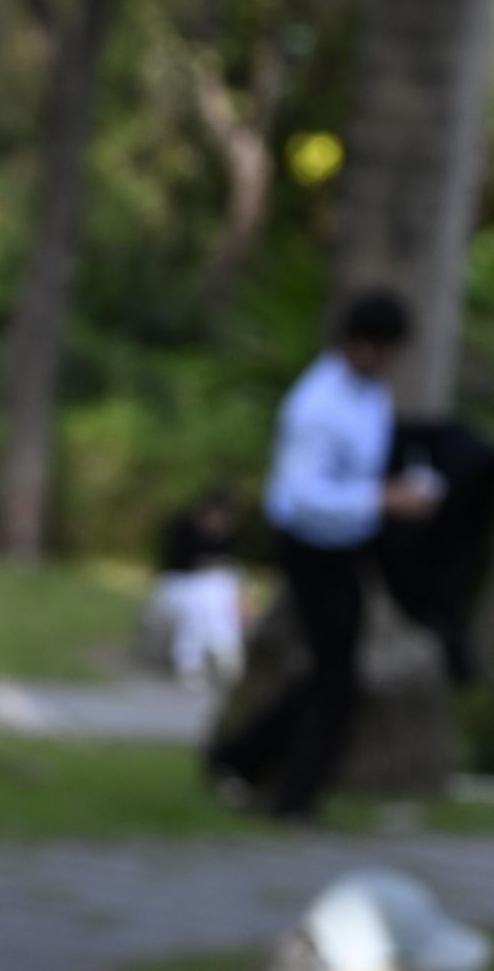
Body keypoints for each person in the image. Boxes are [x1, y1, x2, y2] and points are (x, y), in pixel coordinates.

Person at [208, 288, 489, 816]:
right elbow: (302, 494)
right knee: (335, 676)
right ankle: (289, 794)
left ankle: (240, 760)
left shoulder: (369, 392)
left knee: (333, 672)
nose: (387, 360)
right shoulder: (318, 407)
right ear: (359, 343)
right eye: (382, 349)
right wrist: (381, 498)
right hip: (313, 545)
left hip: (349, 542)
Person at [142, 483, 247, 685]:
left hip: (211, 594)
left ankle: (191, 664)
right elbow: (173, 564)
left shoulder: (227, 537)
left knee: (211, 597)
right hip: (178, 586)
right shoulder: (182, 527)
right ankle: (225, 653)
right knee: (201, 602)